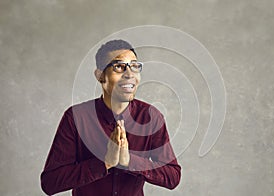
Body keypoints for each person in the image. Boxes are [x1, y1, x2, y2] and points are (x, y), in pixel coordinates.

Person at [40, 39, 181, 196]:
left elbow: (173, 177)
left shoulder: (151, 116)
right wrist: (104, 162)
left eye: (134, 66)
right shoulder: (76, 117)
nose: (129, 74)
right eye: (119, 67)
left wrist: (130, 161)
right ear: (100, 76)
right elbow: (50, 183)